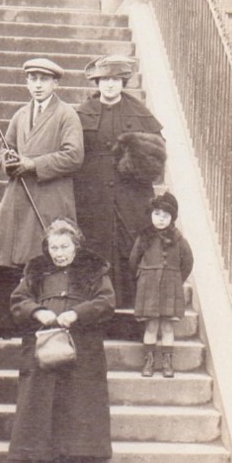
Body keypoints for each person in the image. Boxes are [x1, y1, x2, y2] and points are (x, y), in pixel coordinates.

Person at [0, 57, 84, 339]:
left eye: (43, 80)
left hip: (48, 198)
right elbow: (6, 149)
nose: (37, 85)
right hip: (18, 196)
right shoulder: (21, 114)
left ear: (55, 83)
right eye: (32, 79)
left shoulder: (66, 114)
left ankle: (38, 325)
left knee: (42, 259)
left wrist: (33, 164)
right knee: (6, 261)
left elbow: (74, 156)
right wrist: (7, 162)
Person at [7, 218, 115, 463]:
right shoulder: (37, 270)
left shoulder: (93, 270)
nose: (59, 253)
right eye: (54, 247)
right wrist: (38, 311)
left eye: (64, 246)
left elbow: (106, 302)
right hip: (43, 347)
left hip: (82, 349)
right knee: (42, 405)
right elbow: (18, 300)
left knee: (77, 406)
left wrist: (77, 313)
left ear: (76, 246)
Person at [74, 56, 166, 309]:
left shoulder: (141, 113)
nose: (110, 85)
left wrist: (134, 160)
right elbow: (71, 151)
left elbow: (157, 155)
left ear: (123, 82)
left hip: (132, 194)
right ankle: (94, 310)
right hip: (93, 192)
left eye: (115, 80)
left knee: (132, 245)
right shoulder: (80, 113)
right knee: (95, 244)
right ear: (97, 82)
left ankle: (130, 310)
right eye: (105, 80)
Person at [129, 192, 194, 378]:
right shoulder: (144, 238)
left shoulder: (179, 239)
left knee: (167, 327)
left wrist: (176, 279)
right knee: (151, 327)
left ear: (172, 218)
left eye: (165, 216)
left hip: (170, 287)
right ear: (151, 215)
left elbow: (187, 262)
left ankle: (167, 363)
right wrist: (143, 277)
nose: (160, 219)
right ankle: (148, 362)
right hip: (148, 286)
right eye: (157, 214)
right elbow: (133, 260)